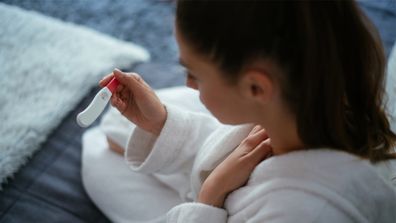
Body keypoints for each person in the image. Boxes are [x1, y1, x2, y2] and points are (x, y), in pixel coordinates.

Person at [81, 0, 396, 222]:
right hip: (240, 153)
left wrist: (209, 197)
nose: (190, 85)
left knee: (96, 158)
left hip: (214, 199)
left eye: (195, 74)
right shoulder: (312, 102)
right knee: (115, 126)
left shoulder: (301, 212)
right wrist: (161, 123)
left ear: (256, 88)